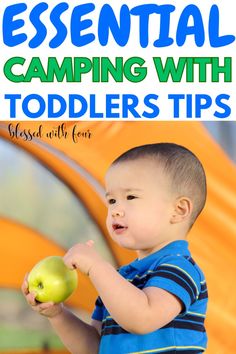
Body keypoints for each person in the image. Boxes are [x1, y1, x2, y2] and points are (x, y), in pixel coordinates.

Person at [22, 143, 208, 354]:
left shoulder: (179, 268)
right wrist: (58, 314)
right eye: (111, 200)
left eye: (130, 197)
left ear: (178, 210)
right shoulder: (119, 280)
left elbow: (142, 318)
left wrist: (96, 266)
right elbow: (94, 348)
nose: (115, 210)